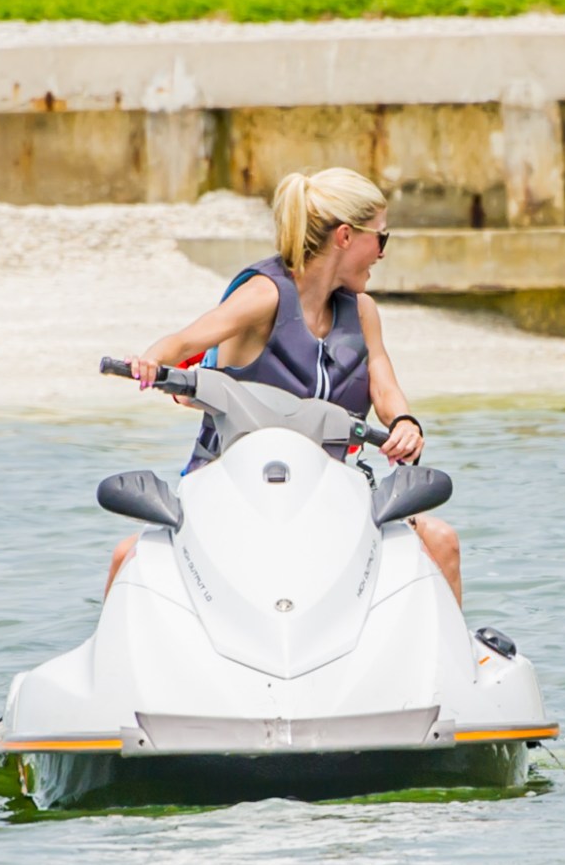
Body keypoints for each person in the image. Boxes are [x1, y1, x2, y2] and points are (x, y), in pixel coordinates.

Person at [105, 167, 463, 606]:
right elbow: (186, 340)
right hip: (235, 491)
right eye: (381, 238)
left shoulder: (363, 312)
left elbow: (384, 386)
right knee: (130, 554)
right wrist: (151, 361)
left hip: (332, 495)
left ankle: (449, 665)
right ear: (346, 237)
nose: (382, 254)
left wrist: (405, 423)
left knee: (441, 542)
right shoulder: (264, 295)